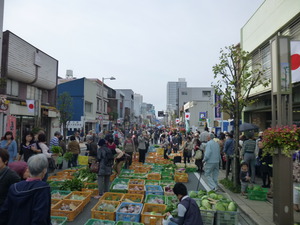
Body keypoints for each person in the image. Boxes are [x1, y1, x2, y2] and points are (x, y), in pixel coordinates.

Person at [0, 154, 51, 225]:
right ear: (44, 171)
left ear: (28, 169)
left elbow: (4, 211)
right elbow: (40, 217)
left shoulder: (14, 187)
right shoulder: (43, 188)